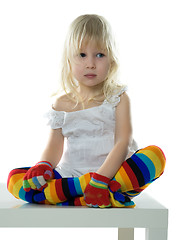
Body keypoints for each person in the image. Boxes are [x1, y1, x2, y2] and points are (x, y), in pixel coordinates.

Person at [7, 14, 166, 208]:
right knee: (16, 179)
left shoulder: (118, 98)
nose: (90, 63)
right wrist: (44, 165)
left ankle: (87, 193)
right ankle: (90, 193)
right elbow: (54, 147)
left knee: (154, 157)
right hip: (72, 174)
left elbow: (122, 143)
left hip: (114, 173)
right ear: (69, 60)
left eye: (99, 55)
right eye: (82, 55)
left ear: (112, 60)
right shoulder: (61, 104)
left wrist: (100, 179)